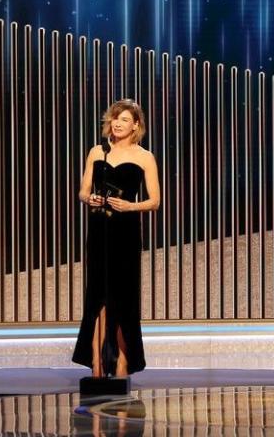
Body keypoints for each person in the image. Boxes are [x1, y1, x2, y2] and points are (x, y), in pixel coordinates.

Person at [72, 99, 161, 377]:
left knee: (123, 298)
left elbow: (155, 201)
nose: (118, 123)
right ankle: (97, 364)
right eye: (114, 118)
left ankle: (123, 361)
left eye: (124, 119)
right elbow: (82, 191)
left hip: (126, 232)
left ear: (136, 125)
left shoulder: (145, 156)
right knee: (97, 296)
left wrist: (131, 206)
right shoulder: (98, 152)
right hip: (100, 230)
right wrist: (90, 198)